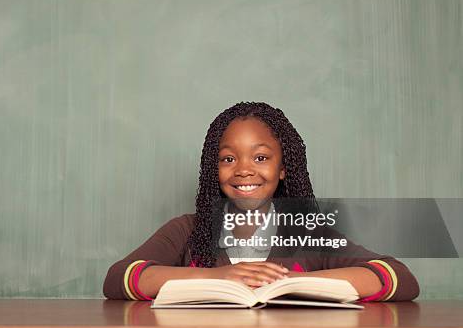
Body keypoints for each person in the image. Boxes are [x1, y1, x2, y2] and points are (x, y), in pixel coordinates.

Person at [103, 102, 419, 302]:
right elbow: (119, 278)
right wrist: (216, 276)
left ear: (283, 168)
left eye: (260, 157)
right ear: (215, 169)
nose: (243, 170)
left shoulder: (308, 234)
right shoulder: (187, 229)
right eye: (228, 158)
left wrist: (296, 282)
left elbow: (398, 278)